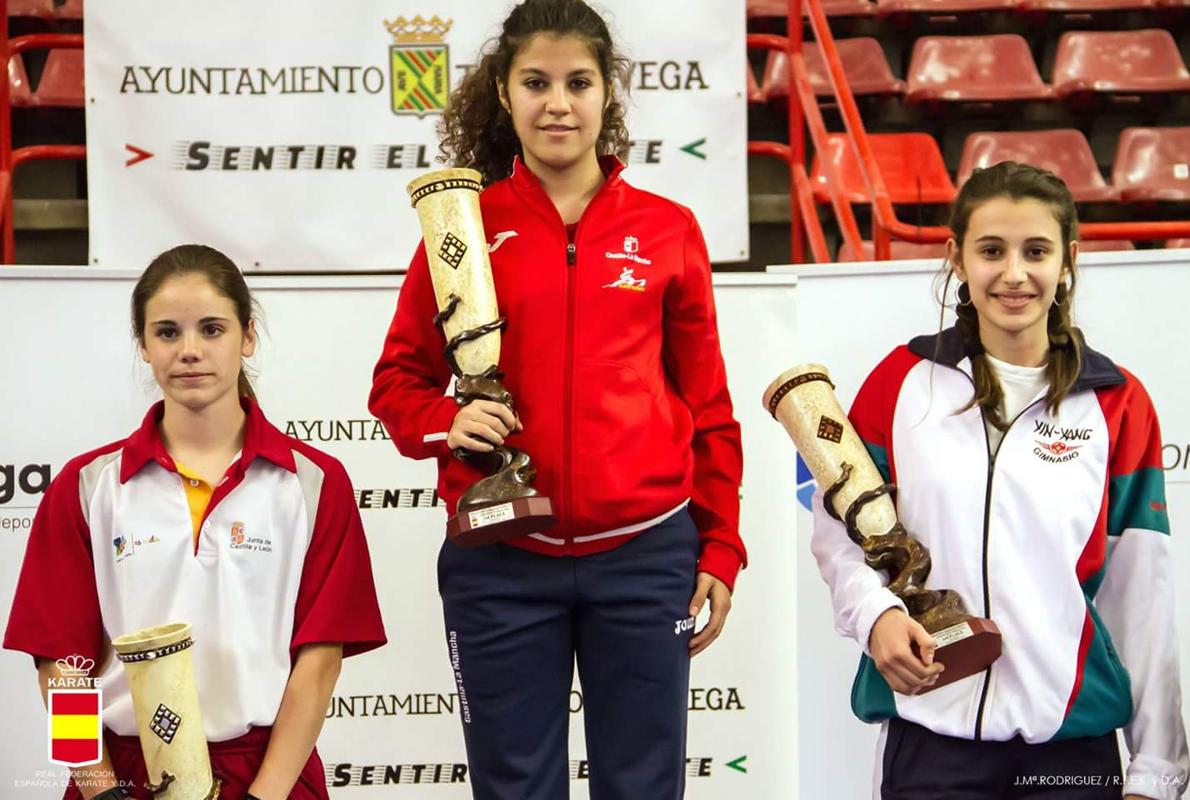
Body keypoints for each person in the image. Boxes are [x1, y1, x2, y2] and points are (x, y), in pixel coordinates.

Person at [369, 1, 745, 797]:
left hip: (646, 558)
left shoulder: (668, 229)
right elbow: (396, 386)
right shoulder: (463, 229)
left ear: (609, 93)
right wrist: (448, 420)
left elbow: (709, 407)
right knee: (515, 788)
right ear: (503, 94)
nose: (558, 104)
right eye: (535, 82)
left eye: (578, 82)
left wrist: (720, 546)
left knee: (642, 786)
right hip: (500, 563)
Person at [812, 161, 1188, 799]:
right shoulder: (900, 382)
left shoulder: (1118, 404)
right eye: (992, 250)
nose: (1014, 274)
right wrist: (875, 615)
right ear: (957, 257)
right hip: (931, 742)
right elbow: (840, 532)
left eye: (1035, 251)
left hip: (1068, 750)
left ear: (1067, 260)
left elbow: (1140, 594)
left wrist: (1155, 769)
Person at [5, 244, 387, 800]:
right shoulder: (86, 485)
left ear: (247, 337)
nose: (189, 351)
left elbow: (320, 661)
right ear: (142, 344)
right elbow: (61, 666)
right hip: (121, 775)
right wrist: (99, 788)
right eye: (167, 332)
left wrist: (266, 794)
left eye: (212, 329)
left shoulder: (312, 481)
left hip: (267, 775)